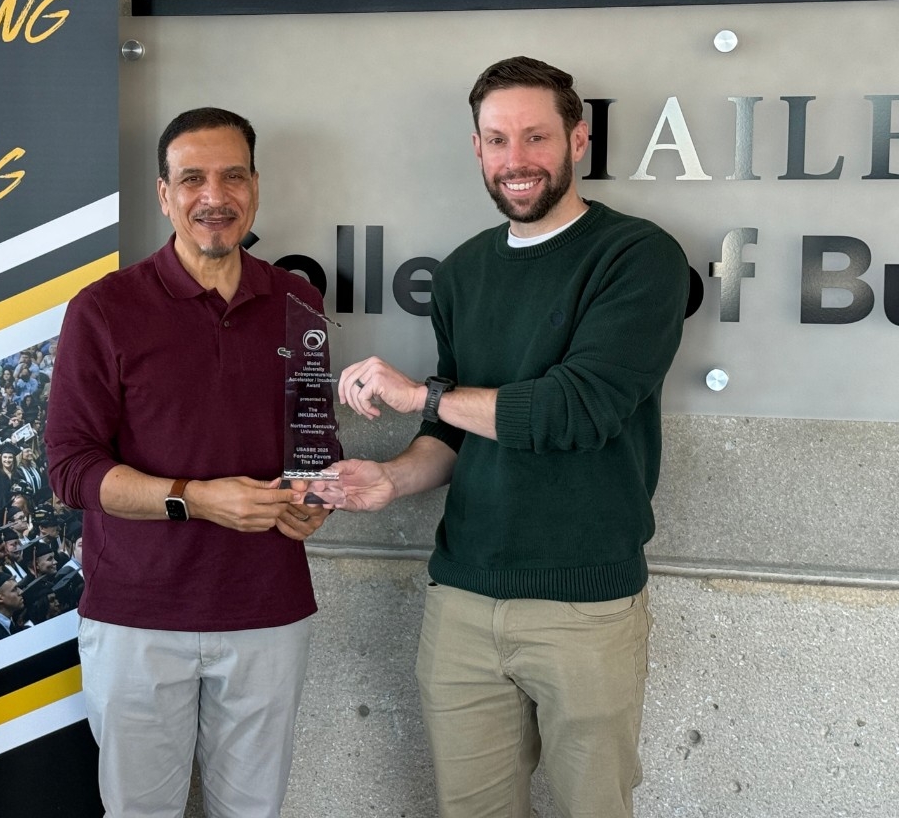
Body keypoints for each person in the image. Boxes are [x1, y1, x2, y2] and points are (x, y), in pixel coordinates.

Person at [313, 56, 690, 818]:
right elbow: (453, 432)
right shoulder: (460, 274)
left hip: (583, 606)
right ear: (477, 150)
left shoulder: (638, 257)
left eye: (535, 137)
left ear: (578, 140)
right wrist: (393, 479)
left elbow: (575, 412)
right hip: (463, 599)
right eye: (496, 140)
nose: (515, 160)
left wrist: (424, 393)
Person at [46, 106, 334, 818]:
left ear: (256, 187)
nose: (216, 196)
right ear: (164, 193)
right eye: (194, 178)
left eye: (233, 175)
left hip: (266, 611)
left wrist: (315, 499)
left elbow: (316, 443)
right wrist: (195, 498)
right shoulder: (104, 309)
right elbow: (70, 468)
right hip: (138, 617)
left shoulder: (298, 299)